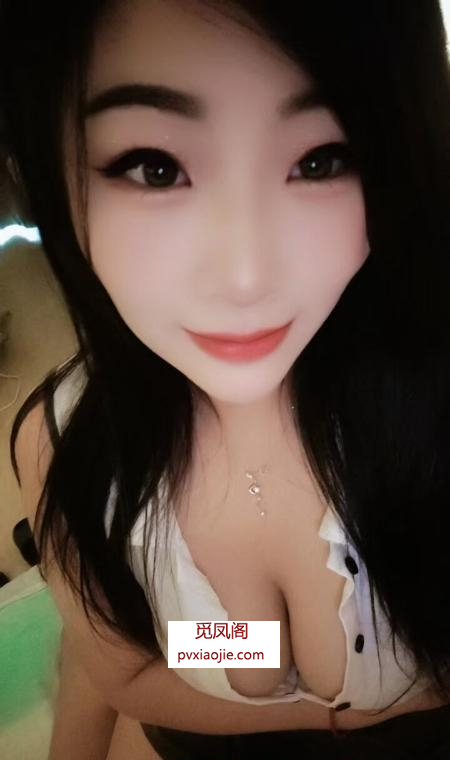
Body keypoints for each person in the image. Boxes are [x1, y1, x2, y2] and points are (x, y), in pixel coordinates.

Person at [2, 0, 450, 757]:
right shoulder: (70, 446)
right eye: (155, 167)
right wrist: (330, 711)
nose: (247, 279)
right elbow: (125, 669)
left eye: (321, 160)